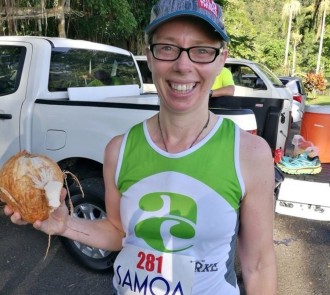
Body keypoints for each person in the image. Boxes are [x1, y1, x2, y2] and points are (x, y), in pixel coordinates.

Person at [4, 0, 277, 294]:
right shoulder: (119, 150)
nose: (183, 65)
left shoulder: (249, 154)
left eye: (201, 50)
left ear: (221, 59)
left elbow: (258, 264)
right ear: (150, 56)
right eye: (168, 47)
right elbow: (118, 233)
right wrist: (64, 225)